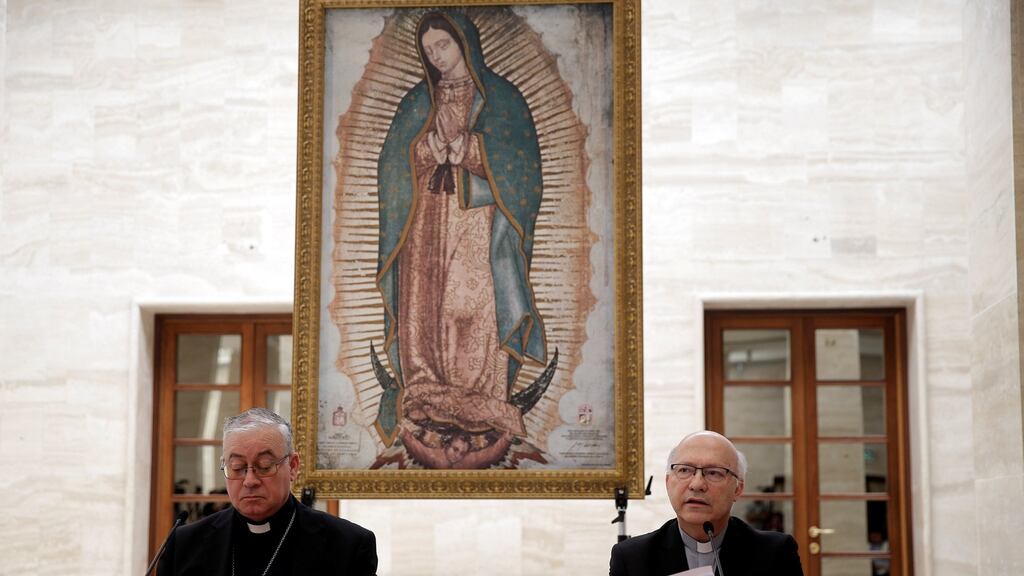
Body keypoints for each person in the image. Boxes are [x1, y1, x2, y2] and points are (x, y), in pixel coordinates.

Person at [373, 9, 547, 468]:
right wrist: (426, 150)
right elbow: (393, 166)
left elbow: (523, 169)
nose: (437, 57)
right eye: (429, 51)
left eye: (443, 46)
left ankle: (480, 394)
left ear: (464, 43)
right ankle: (427, 387)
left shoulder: (502, 100)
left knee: (470, 305)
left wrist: (472, 150)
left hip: (478, 219)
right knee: (425, 306)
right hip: (426, 222)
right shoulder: (417, 102)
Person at [157, 408, 377, 575]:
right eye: (237, 468)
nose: (250, 481)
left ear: (292, 467)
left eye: (264, 466)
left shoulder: (348, 545)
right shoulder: (184, 546)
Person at [609, 431, 803, 575]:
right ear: (668, 482)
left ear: (738, 489)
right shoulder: (632, 558)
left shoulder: (775, 553)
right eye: (685, 470)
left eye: (713, 473)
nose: (697, 484)